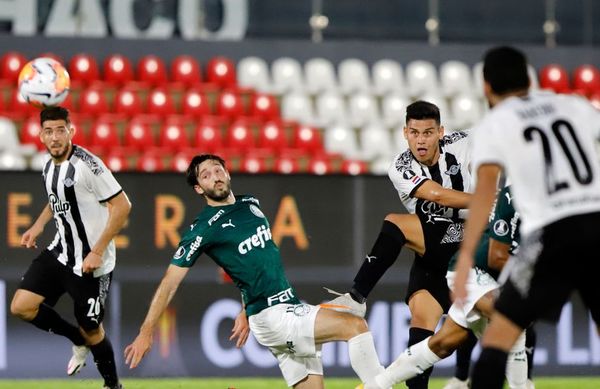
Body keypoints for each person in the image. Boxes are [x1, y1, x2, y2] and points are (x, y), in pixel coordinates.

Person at [124, 154, 388, 388]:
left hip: (280, 307)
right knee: (354, 324)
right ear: (198, 188)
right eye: (205, 175)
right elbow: (170, 282)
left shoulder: (250, 202)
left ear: (227, 173)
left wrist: (243, 309)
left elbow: (253, 263)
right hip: (273, 316)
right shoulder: (203, 228)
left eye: (217, 170)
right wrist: (147, 332)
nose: (214, 177)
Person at [453, 46, 600, 389]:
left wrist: (463, 259)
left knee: (499, 336)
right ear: (529, 76)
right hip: (597, 219)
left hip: (553, 232)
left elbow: (485, 191)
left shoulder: (495, 123)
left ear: (485, 85)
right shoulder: (572, 104)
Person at [324, 100, 472, 389]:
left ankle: (474, 379)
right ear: (405, 133)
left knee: (471, 330)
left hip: (467, 246)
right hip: (434, 255)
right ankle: (356, 300)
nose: (421, 140)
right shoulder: (400, 166)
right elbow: (438, 196)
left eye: (428, 132)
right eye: (415, 132)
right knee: (420, 336)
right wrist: (483, 201)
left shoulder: (466, 141)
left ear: (441, 132)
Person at [362, 186, 532, 389]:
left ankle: (377, 384)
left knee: (444, 343)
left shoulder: (555, 208)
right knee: (510, 318)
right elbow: (497, 256)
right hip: (473, 270)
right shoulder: (512, 196)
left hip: (496, 281)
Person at [10, 106, 131, 389]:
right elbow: (58, 199)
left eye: (60, 130)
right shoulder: (47, 164)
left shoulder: (88, 165)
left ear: (71, 131)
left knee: (92, 329)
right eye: (49, 131)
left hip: (92, 265)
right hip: (61, 253)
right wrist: (39, 225)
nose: (55, 137)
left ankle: (113, 385)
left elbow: (122, 205)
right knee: (21, 307)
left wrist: (98, 250)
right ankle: (76, 340)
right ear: (40, 135)